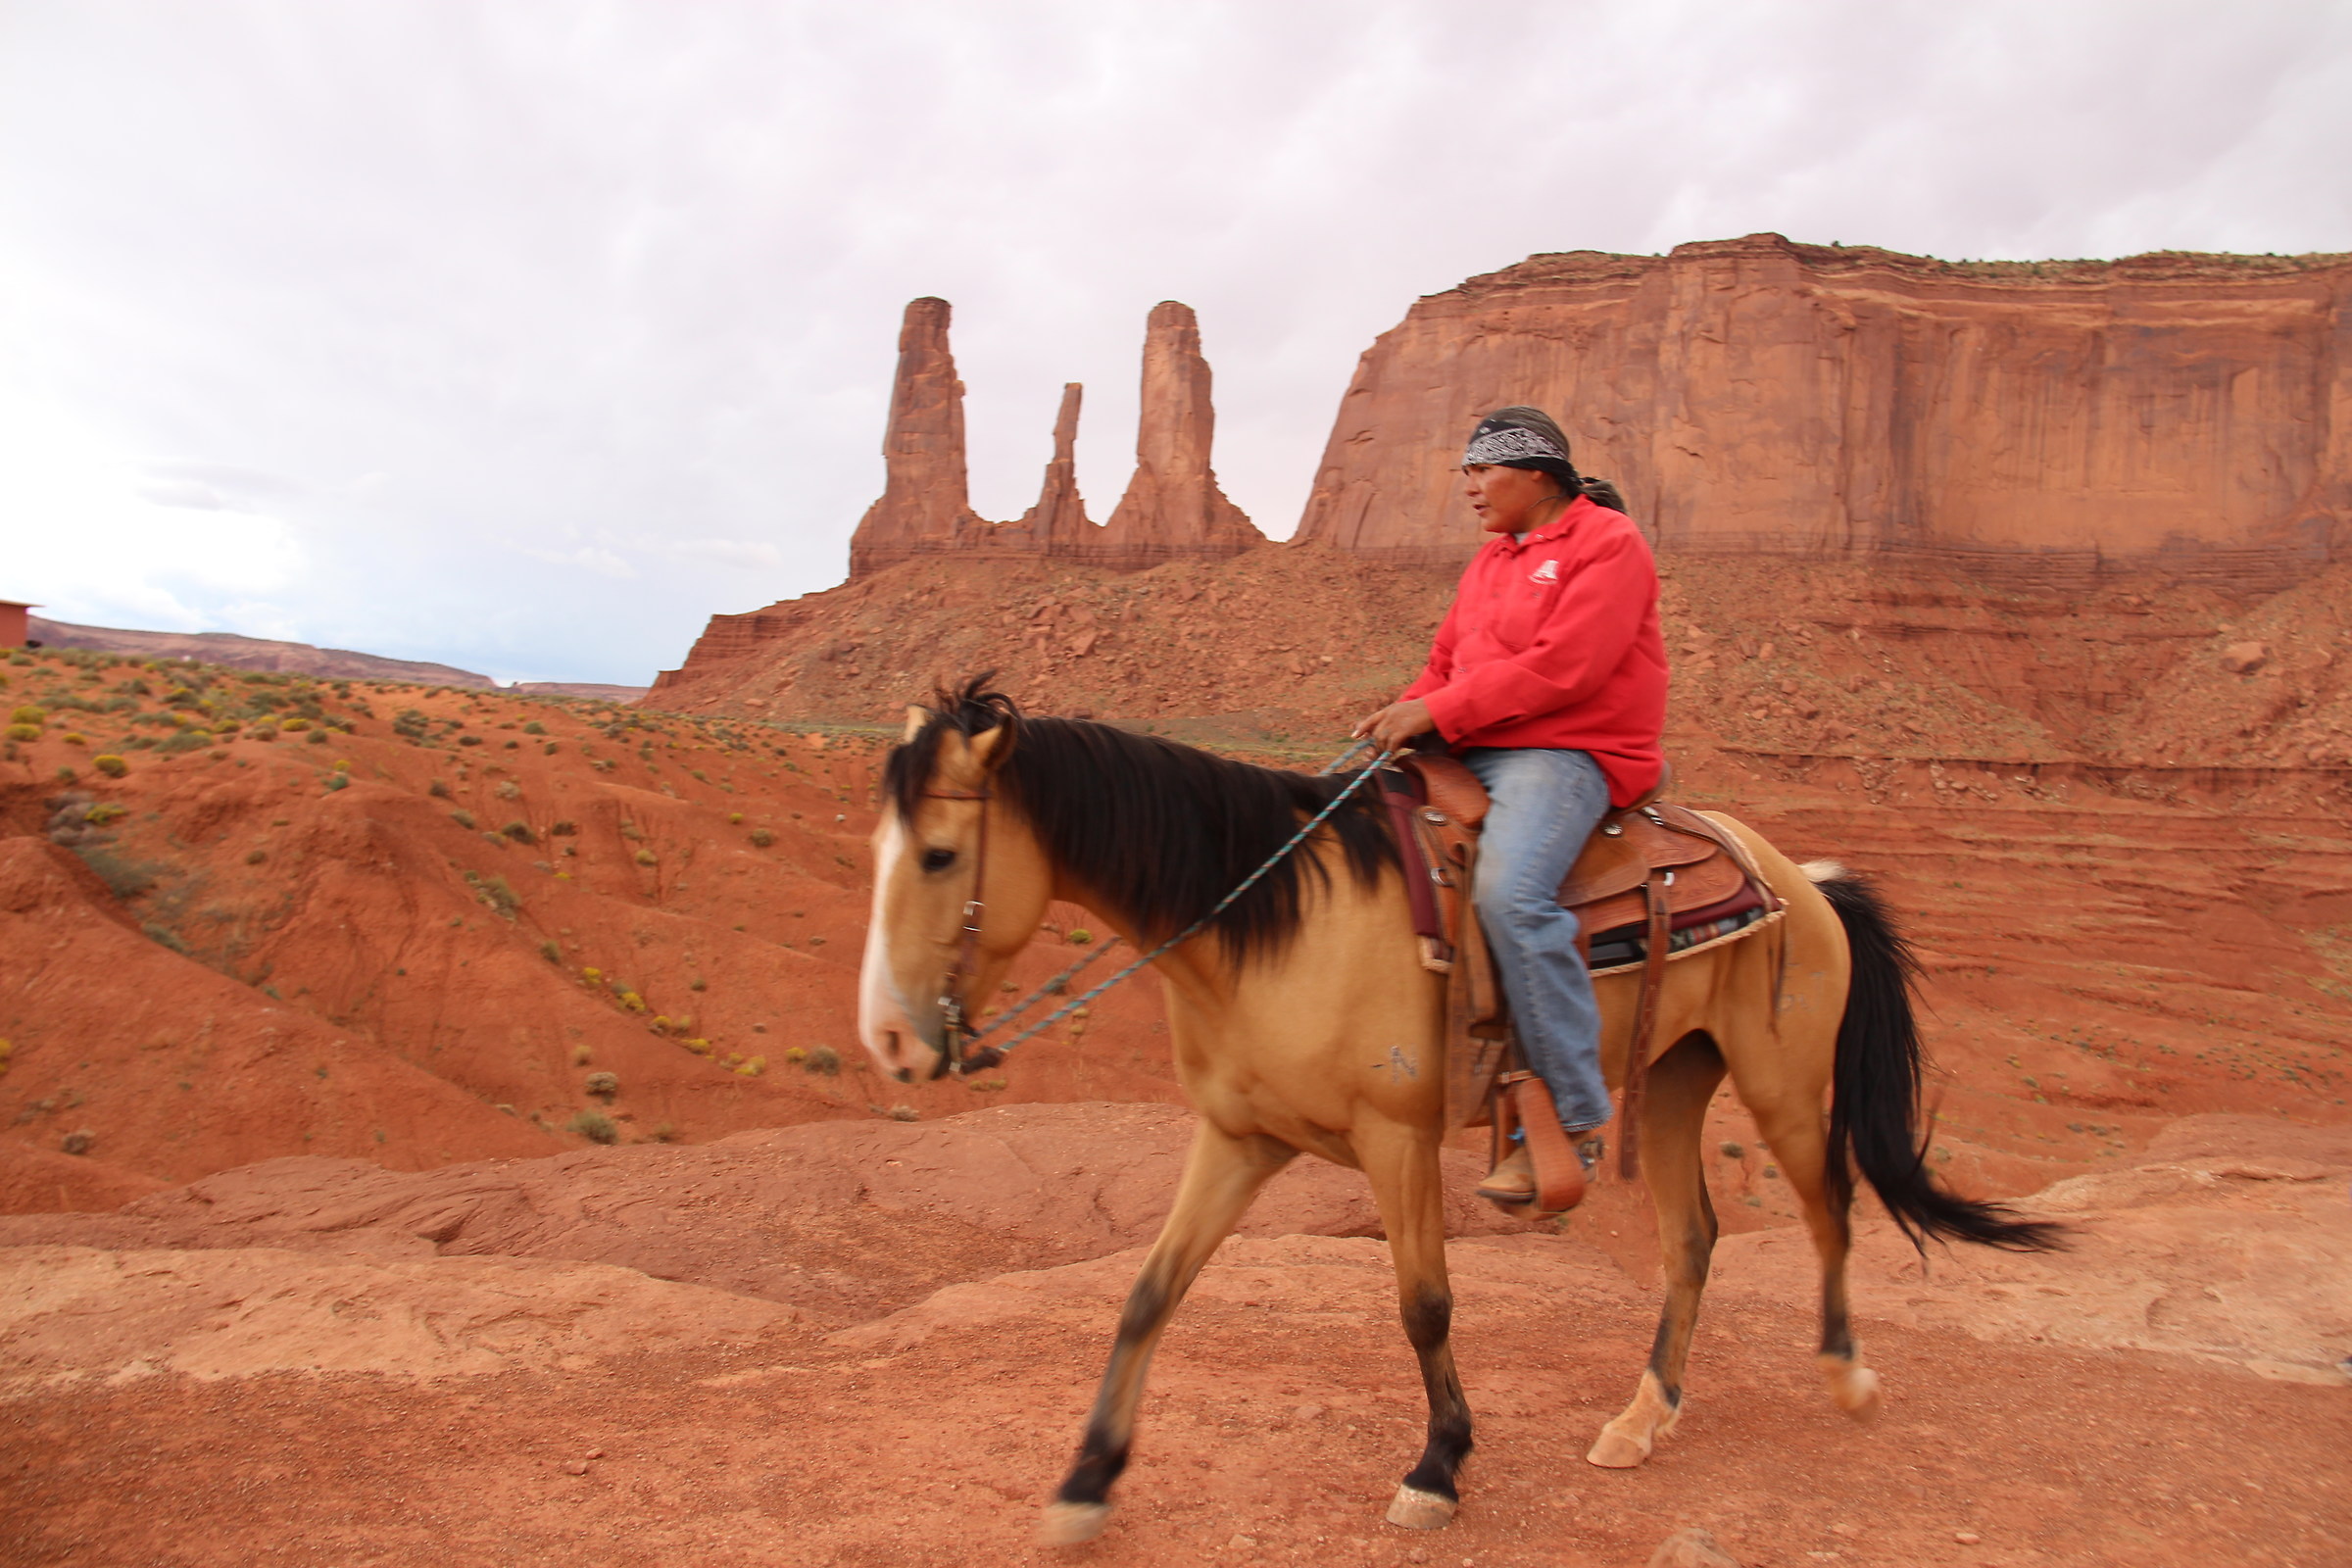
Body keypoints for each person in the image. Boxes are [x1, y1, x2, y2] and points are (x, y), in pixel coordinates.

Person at [1355, 407, 1667, 1209]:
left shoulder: (1610, 544)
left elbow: (1569, 668)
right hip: (1474, 742)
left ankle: (1573, 1116)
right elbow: (1444, 662)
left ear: (1536, 475)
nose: (1469, 488)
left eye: (1481, 471)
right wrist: (1404, 713)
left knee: (1510, 895)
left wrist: (1438, 715)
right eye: (1466, 472)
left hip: (1568, 751)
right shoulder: (1493, 560)